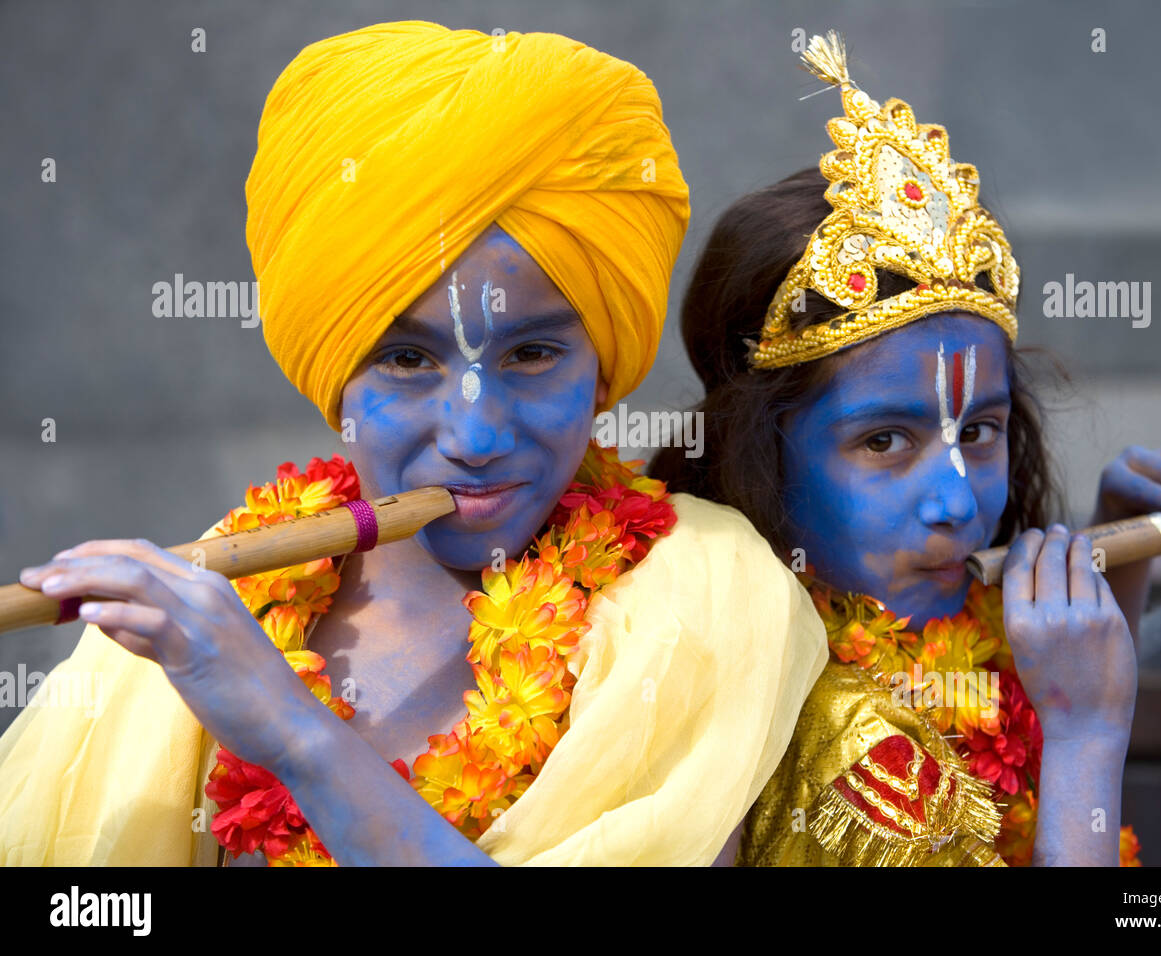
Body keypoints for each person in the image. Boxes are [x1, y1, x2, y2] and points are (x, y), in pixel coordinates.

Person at [0, 21, 827, 867]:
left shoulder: (709, 591)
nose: (474, 436)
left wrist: (295, 736)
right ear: (332, 376)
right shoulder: (208, 597)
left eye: (533, 354)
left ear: (605, 369)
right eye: (404, 359)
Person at [651, 32, 1161, 866]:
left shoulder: (931, 636)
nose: (959, 503)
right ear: (762, 460)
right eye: (884, 441)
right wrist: (1087, 734)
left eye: (979, 431)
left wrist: (1123, 566)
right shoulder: (861, 749)